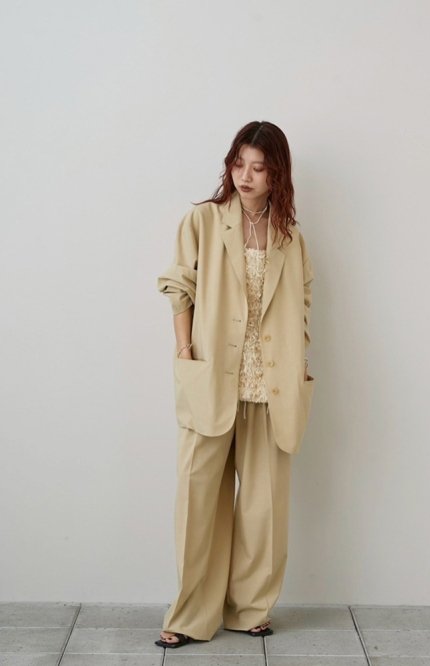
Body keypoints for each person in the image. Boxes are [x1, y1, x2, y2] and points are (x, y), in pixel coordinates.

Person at [155, 120, 315, 649]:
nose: (245, 176)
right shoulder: (203, 220)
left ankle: (249, 609)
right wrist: (185, 351)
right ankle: (190, 614)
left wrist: (299, 359)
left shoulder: (289, 237)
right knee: (198, 501)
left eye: (259, 168)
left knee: (264, 508)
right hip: (212, 379)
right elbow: (179, 287)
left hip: (271, 387)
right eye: (238, 163)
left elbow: (302, 301)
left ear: (277, 176)